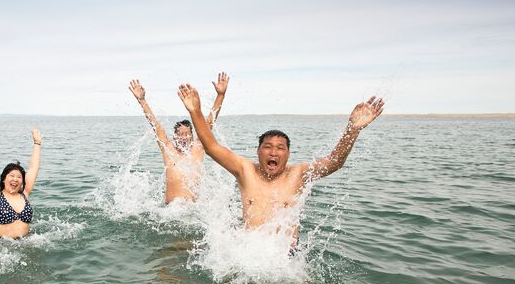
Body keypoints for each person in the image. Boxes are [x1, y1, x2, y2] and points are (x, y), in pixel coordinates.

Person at [176, 83, 384, 247]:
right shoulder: (245, 170)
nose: (273, 152)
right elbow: (211, 147)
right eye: (267, 147)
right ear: (258, 151)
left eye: (280, 148)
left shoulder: (298, 174)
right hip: (247, 249)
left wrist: (353, 129)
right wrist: (195, 112)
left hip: (285, 255)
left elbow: (335, 161)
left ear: (288, 154)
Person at [128, 72, 230, 203]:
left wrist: (221, 95)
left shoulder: (198, 148)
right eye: (180, 134)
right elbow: (155, 126)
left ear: (193, 136)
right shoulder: (168, 149)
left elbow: (209, 122)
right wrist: (142, 100)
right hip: (169, 211)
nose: (184, 137)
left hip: (193, 211)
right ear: (174, 137)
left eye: (187, 134)